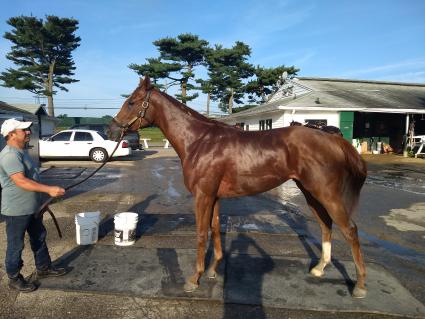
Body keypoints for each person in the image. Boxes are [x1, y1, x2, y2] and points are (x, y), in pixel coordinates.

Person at [0, 118, 67, 292]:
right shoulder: (10, 155)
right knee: (16, 245)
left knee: (39, 237)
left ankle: (43, 268)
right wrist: (50, 189)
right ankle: (14, 278)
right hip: (16, 211)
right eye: (23, 130)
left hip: (32, 207)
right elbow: (21, 181)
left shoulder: (22, 152)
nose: (28, 132)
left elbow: (32, 180)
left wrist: (41, 200)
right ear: (12, 134)